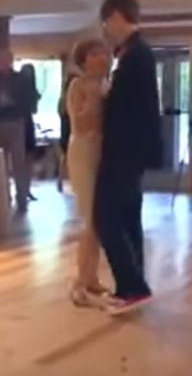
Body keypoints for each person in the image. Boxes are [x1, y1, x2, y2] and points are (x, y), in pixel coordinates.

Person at [94, 0, 162, 315]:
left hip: (124, 149)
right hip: (130, 149)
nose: (106, 29)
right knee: (128, 216)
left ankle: (133, 286)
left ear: (118, 16)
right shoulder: (137, 52)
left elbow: (126, 107)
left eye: (107, 22)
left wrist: (105, 95)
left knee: (107, 216)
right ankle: (133, 285)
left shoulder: (135, 55)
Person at [66, 38, 112, 307]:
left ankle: (91, 277)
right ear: (83, 60)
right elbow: (81, 124)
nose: (101, 58)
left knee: (100, 220)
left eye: (104, 53)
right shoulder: (78, 85)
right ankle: (80, 282)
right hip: (84, 151)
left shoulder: (108, 83)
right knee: (91, 218)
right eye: (94, 54)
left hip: (104, 152)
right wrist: (95, 100)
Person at [0, 48, 33, 213]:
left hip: (16, 122)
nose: (3, 62)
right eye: (0, 59)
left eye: (6, 59)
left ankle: (22, 198)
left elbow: (29, 101)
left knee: (19, 162)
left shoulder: (22, 79)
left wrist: (12, 104)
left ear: (11, 60)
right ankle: (3, 198)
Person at [20, 63, 42, 202]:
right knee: (24, 159)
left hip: (25, 124)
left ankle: (25, 189)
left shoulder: (30, 91)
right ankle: (24, 189)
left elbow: (34, 109)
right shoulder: (23, 90)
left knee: (26, 159)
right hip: (23, 123)